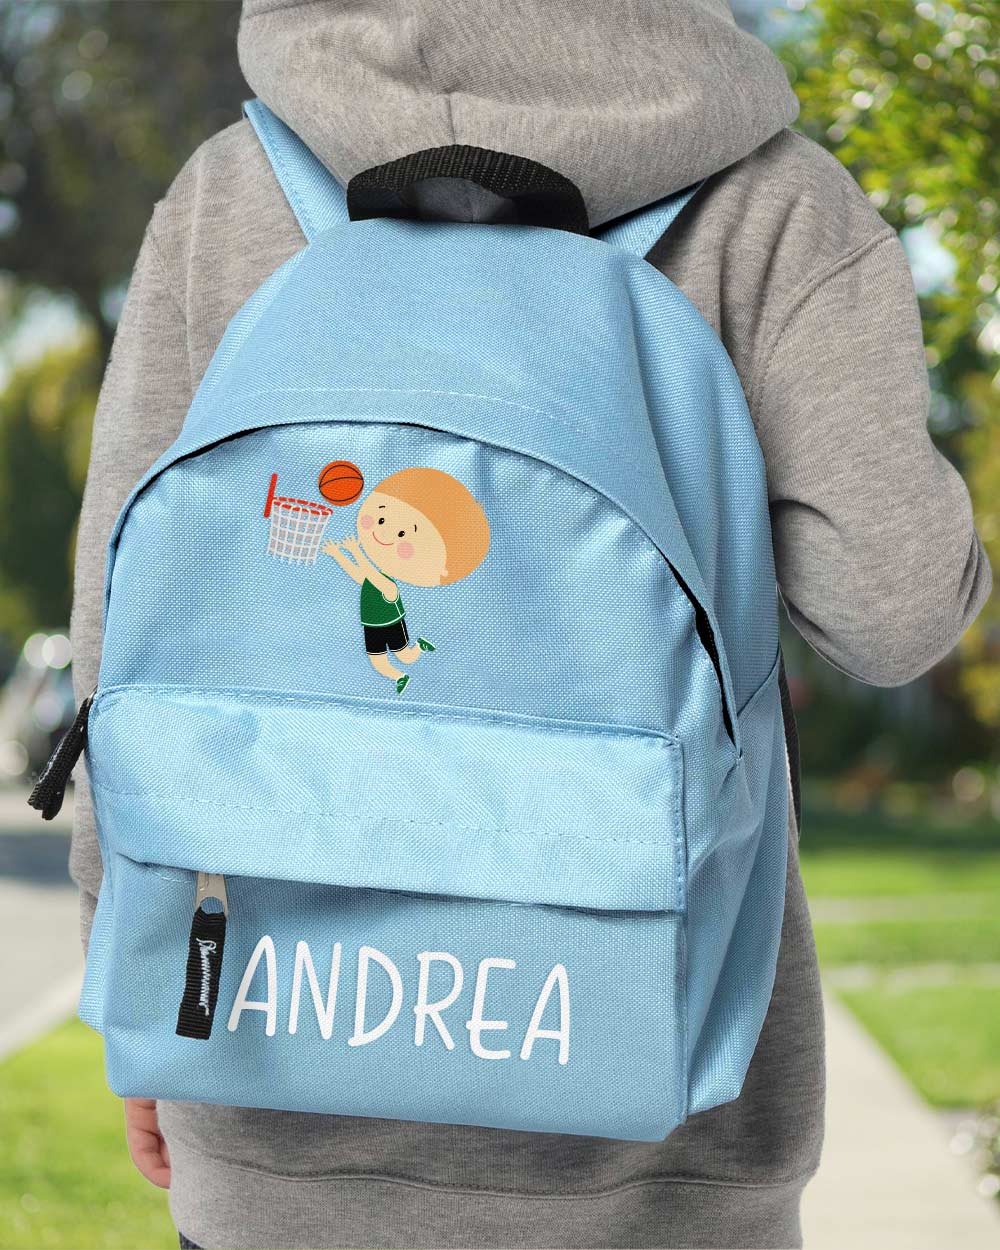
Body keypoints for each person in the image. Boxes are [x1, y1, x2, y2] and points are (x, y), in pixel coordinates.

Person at [70, 1, 991, 1247]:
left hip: (263, 1080)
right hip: (661, 1145)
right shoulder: (775, 202)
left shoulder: (232, 187)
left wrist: (125, 957)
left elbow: (119, 627)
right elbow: (890, 616)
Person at [321, 467, 491, 693]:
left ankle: (419, 647)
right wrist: (338, 554)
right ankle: (400, 677)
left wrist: (356, 551)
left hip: (391, 625)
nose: (383, 533)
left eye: (402, 534)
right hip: (371, 625)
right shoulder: (376, 578)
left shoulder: (389, 586)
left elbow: (370, 575)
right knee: (378, 662)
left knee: (407, 657)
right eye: (381, 519)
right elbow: (359, 576)